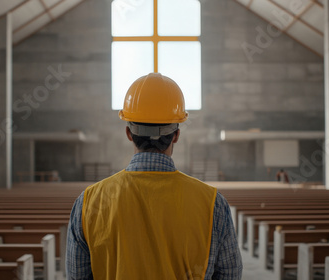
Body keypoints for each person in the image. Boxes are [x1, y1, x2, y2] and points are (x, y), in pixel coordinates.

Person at [66, 73, 242, 280]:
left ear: (129, 133)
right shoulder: (213, 204)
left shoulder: (88, 203)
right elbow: (230, 274)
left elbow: (77, 276)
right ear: (176, 135)